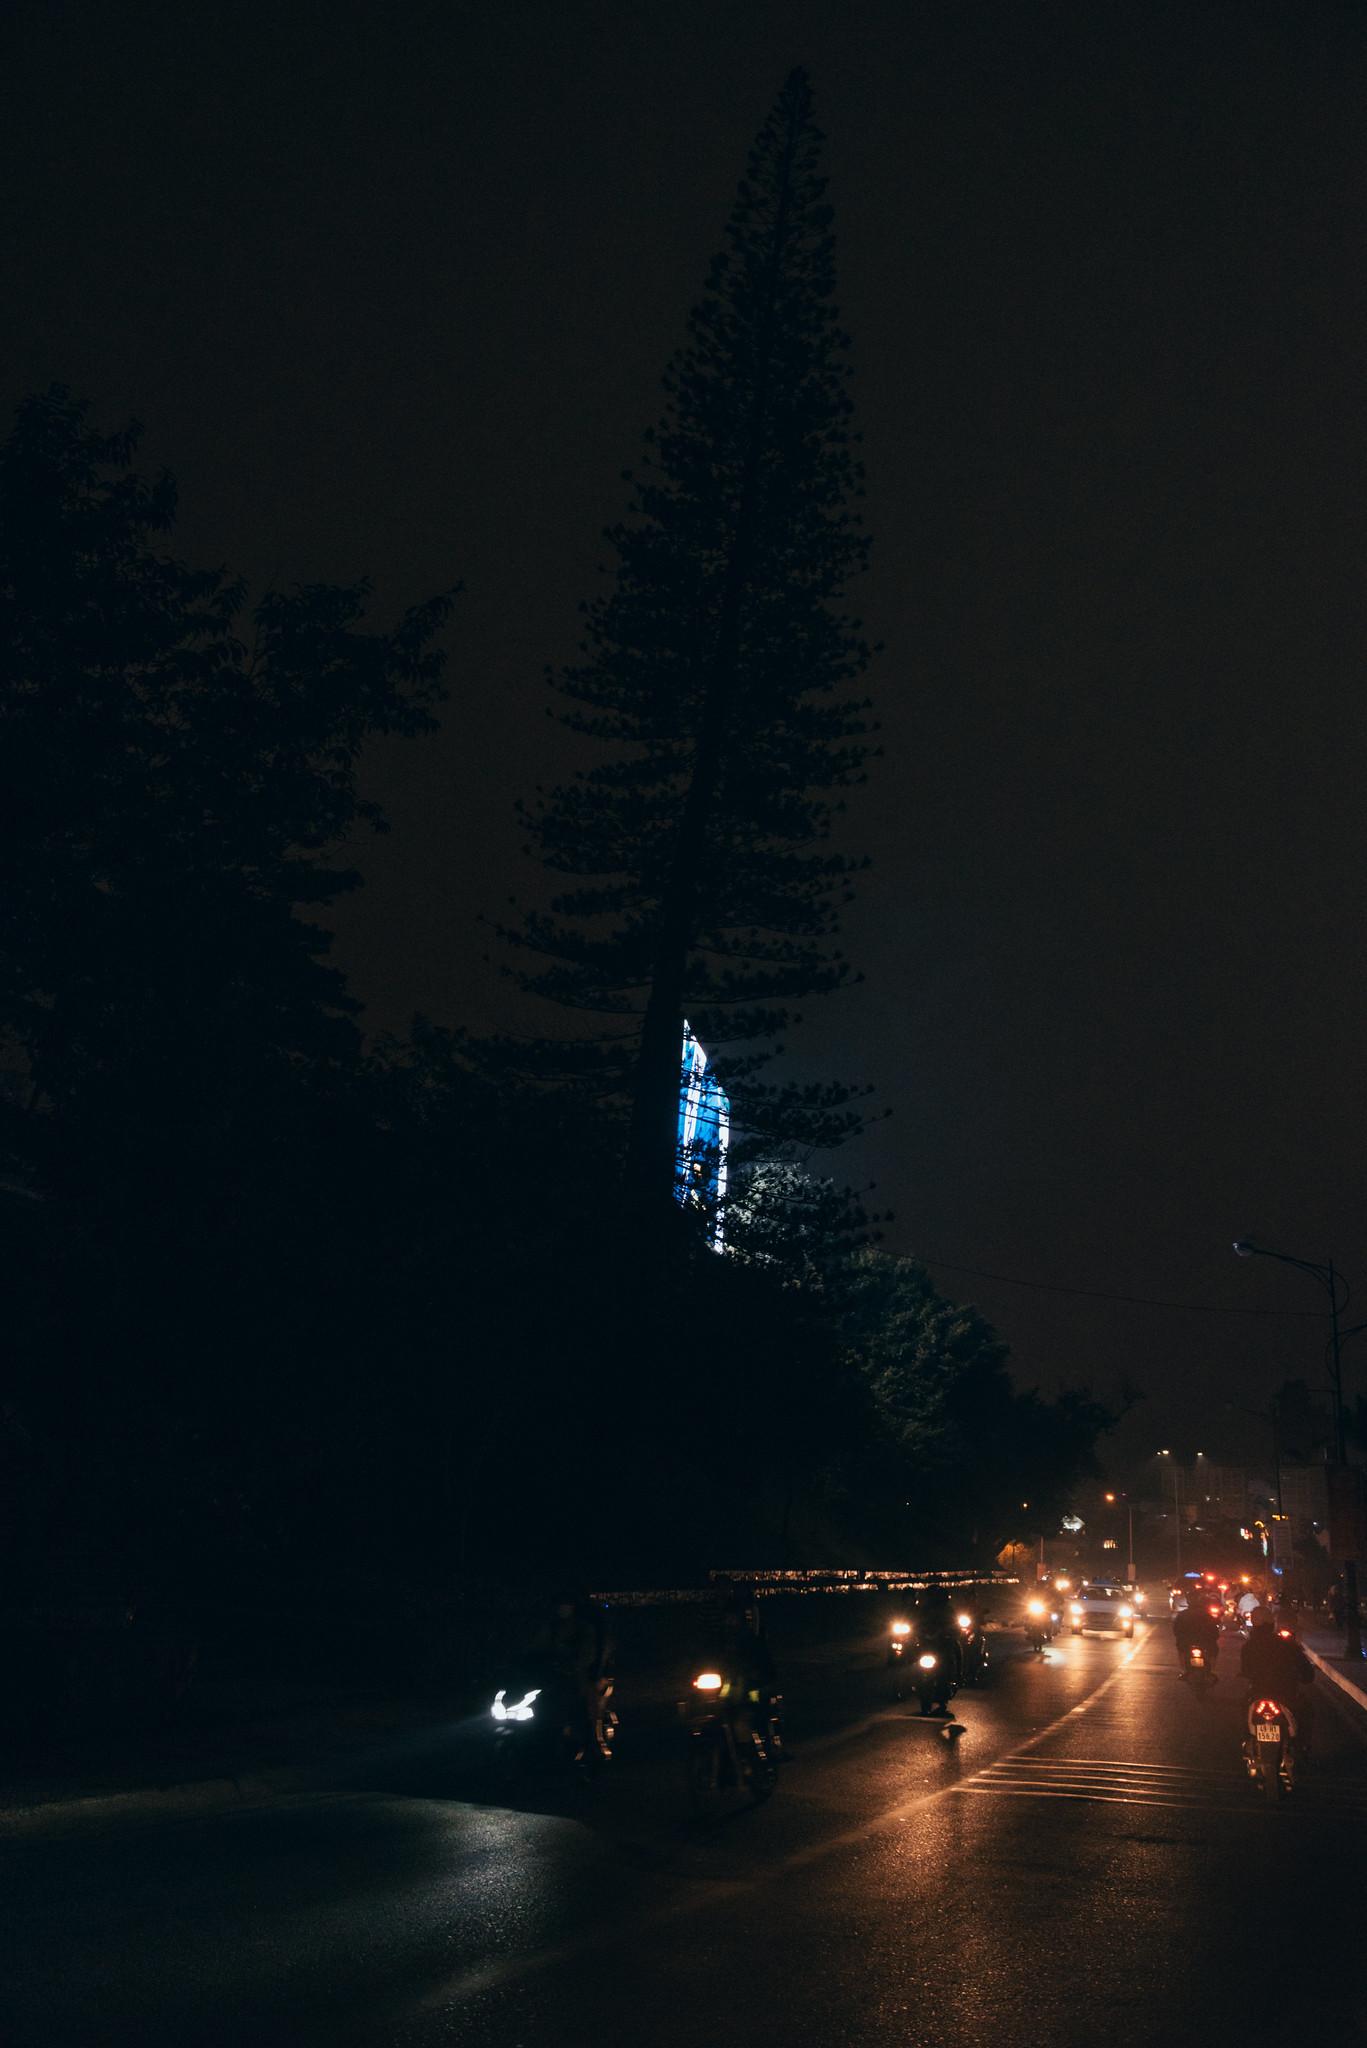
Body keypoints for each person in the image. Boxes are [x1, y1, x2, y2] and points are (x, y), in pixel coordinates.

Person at [1240, 1606, 1315, 1757]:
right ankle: (1303, 1746)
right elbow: (1307, 1672)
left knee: (1243, 1709)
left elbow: (1246, 1670)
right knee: (1307, 1710)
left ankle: (1247, 1740)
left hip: (1258, 1692)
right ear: (1271, 1624)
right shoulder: (1288, 1645)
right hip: (1286, 1693)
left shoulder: (1248, 1646)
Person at [1173, 1588, 1220, 1677]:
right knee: (1214, 1651)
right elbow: (1214, 1630)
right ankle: (1212, 1670)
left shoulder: (1183, 1614)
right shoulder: (1206, 1614)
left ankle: (1183, 1670)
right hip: (1202, 1641)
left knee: (1181, 1649)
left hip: (1189, 1641)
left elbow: (1176, 1630)